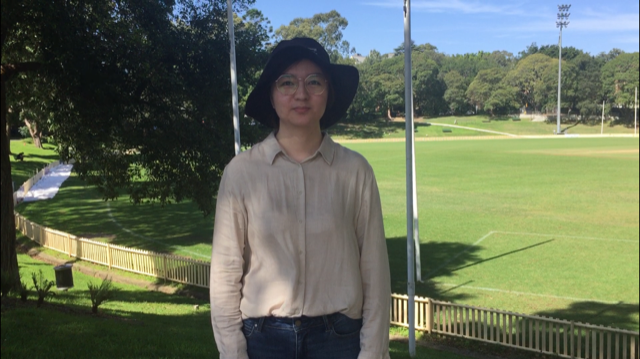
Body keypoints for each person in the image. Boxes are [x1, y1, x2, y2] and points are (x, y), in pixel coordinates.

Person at [210, 37, 391, 359]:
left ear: (328, 92)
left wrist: (373, 352)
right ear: (272, 95)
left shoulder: (355, 171)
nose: (301, 93)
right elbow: (225, 273)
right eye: (287, 83)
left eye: (314, 82)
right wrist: (232, 353)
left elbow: (375, 271)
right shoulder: (241, 173)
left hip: (339, 340)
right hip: (262, 340)